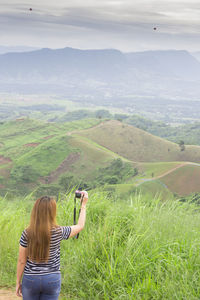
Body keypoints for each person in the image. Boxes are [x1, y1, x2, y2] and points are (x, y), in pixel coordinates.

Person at [16, 191, 88, 299]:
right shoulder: (59, 231)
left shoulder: (27, 233)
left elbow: (22, 261)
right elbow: (80, 226)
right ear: (52, 212)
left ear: (35, 212)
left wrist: (18, 282)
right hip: (52, 279)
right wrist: (83, 205)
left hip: (31, 279)